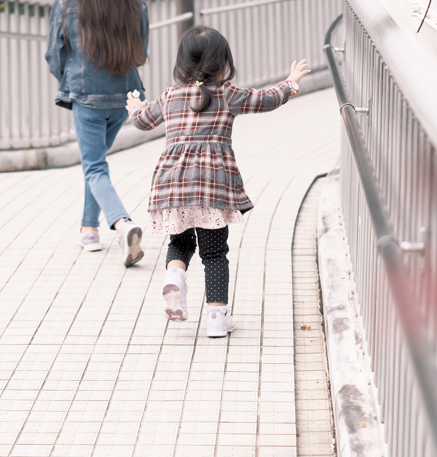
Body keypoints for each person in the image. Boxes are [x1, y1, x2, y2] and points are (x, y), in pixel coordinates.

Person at [127, 25, 311, 337]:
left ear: (181, 65)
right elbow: (266, 100)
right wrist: (290, 84)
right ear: (223, 63)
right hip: (212, 186)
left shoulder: (170, 95)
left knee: (180, 242)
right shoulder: (227, 94)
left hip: (172, 185)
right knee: (214, 253)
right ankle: (216, 317)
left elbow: (144, 122)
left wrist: (136, 109)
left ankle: (175, 275)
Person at [45, 0, 146, 266]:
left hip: (86, 98)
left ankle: (122, 223)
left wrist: (71, 79)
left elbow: (54, 56)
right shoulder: (135, 4)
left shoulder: (66, 2)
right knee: (97, 164)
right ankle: (89, 229)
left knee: (94, 168)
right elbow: (139, 55)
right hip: (123, 98)